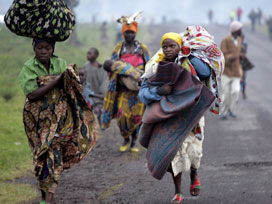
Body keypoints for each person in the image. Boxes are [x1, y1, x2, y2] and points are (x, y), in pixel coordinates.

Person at [138, 28, 224, 204]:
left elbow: (206, 74)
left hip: (192, 117)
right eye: (165, 46)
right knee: (172, 155)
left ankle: (194, 173)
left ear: (180, 46)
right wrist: (158, 91)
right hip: (167, 118)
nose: (168, 49)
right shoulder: (155, 67)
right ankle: (178, 192)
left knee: (195, 152)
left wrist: (189, 54)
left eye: (172, 46)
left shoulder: (190, 63)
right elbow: (143, 93)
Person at [18, 39, 98, 204]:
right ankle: (44, 196)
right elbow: (32, 95)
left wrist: (68, 76)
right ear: (34, 48)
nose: (43, 51)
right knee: (40, 157)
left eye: (47, 48)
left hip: (60, 119)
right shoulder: (28, 67)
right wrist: (56, 80)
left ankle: (48, 199)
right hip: (36, 122)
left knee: (55, 155)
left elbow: (70, 87)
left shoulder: (60, 63)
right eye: (39, 48)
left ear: (52, 49)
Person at [102, 13, 150, 153]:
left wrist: (142, 77)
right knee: (122, 116)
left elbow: (149, 65)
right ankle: (125, 138)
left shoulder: (142, 48)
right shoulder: (119, 49)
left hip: (138, 90)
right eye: (127, 32)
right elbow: (110, 66)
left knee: (138, 117)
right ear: (123, 33)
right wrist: (123, 71)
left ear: (135, 33)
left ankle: (134, 142)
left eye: (132, 32)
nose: (129, 35)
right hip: (124, 89)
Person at [220, 21, 243, 119]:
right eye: (240, 29)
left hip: (236, 71)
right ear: (235, 30)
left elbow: (239, 51)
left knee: (236, 91)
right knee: (226, 93)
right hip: (226, 71)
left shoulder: (239, 39)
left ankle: (232, 110)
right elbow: (223, 54)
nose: (241, 31)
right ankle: (224, 112)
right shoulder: (225, 40)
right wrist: (230, 57)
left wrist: (240, 56)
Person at [82, 47, 109, 125]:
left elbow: (105, 81)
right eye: (87, 53)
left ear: (96, 55)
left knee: (98, 112)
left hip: (98, 96)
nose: (88, 55)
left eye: (90, 53)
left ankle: (99, 123)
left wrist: (102, 93)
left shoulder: (101, 68)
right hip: (87, 94)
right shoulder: (85, 66)